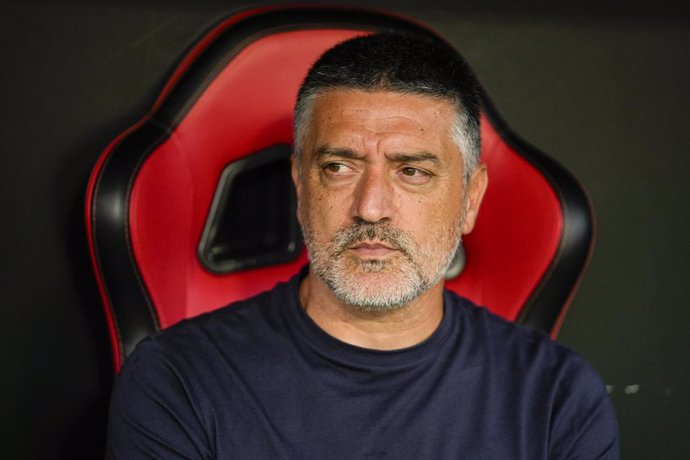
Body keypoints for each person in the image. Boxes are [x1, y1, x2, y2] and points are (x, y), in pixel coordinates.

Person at [106, 32, 619, 459]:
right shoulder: (178, 382)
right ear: (301, 187)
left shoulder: (557, 398)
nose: (371, 207)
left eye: (412, 171)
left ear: (470, 198)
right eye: (339, 167)